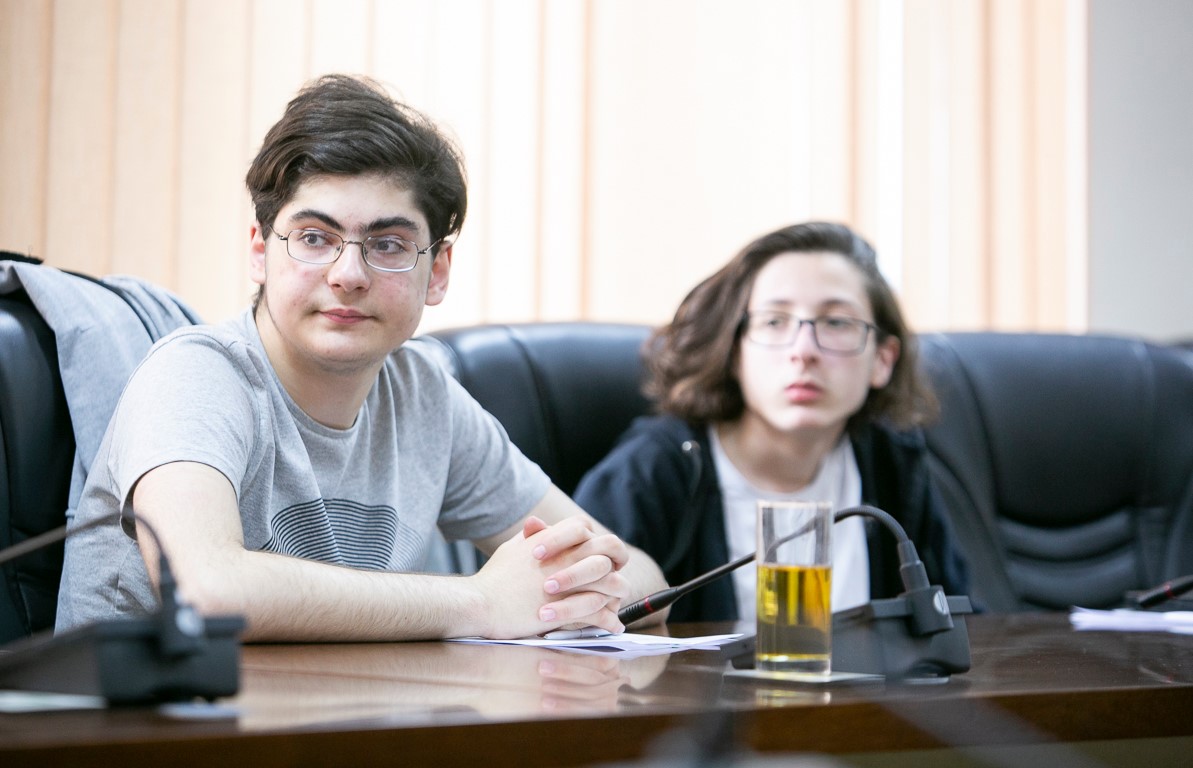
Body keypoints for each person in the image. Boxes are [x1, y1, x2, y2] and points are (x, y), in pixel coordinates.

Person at [56, 74, 667, 641]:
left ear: (437, 271)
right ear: (260, 251)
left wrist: (578, 586)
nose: (348, 274)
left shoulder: (423, 394)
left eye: (389, 244)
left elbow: (641, 579)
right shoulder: (196, 374)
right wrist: (480, 601)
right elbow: (207, 591)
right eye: (314, 238)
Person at [573, 221, 969, 624]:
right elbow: (578, 624)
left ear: (882, 360)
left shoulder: (892, 461)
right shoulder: (655, 469)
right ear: (735, 352)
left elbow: (957, 625)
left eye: (836, 322)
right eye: (775, 321)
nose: (803, 350)